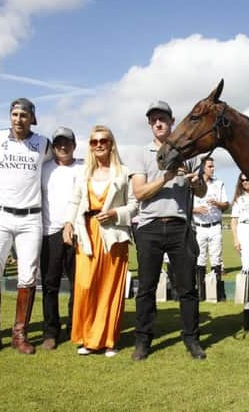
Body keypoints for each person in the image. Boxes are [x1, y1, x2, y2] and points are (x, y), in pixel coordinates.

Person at [129, 100, 207, 361]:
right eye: (153, 120)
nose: (158, 123)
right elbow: (139, 192)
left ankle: (192, 339)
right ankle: (143, 341)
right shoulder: (140, 153)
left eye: (162, 118)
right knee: (146, 288)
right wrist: (167, 176)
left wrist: (196, 183)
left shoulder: (190, 154)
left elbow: (202, 191)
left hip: (180, 228)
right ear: (150, 124)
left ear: (173, 121)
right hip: (149, 227)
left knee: (187, 288)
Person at [0, 98, 52, 357]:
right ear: (10, 116)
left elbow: (56, 165)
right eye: (15, 114)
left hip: (31, 217)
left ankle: (20, 335)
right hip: (0, 215)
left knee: (28, 277)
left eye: (24, 115)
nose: (18, 119)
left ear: (33, 118)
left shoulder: (43, 144)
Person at [63, 126, 137, 357]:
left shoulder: (124, 172)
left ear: (111, 143)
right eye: (94, 142)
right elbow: (74, 202)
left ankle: (108, 340)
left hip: (113, 236)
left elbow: (134, 206)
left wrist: (116, 213)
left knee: (109, 288)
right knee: (85, 286)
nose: (98, 145)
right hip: (87, 232)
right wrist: (68, 224)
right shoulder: (83, 173)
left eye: (103, 140)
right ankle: (87, 338)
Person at [40, 127, 83, 350]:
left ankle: (75, 325)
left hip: (77, 232)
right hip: (50, 233)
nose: (62, 147)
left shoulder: (84, 167)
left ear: (74, 145)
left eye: (67, 142)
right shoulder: (44, 168)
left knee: (79, 284)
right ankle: (51, 331)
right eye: (58, 143)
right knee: (50, 285)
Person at [192, 156, 229, 301]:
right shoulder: (194, 185)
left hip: (215, 226)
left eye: (213, 166)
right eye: (210, 166)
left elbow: (226, 205)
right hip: (200, 228)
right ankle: (201, 294)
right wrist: (195, 210)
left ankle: (218, 293)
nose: (213, 169)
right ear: (202, 168)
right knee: (200, 260)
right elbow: (185, 207)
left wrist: (218, 204)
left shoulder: (219, 184)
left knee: (216, 260)